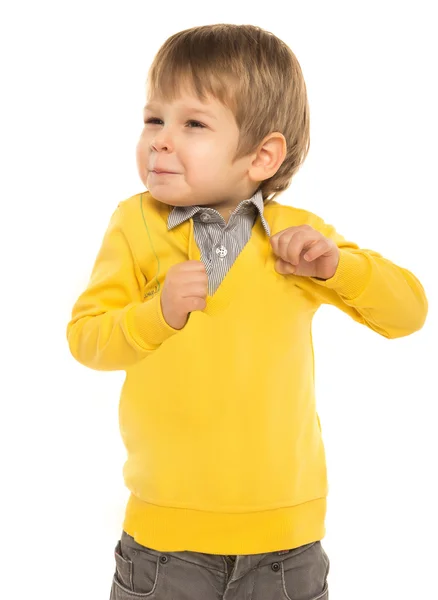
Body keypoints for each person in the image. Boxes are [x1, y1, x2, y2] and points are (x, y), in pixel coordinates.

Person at [66, 23, 428, 600]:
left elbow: (408, 313)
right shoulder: (134, 224)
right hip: (164, 540)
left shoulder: (299, 239)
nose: (161, 139)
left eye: (193, 124)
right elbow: (86, 338)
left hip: (287, 546)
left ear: (263, 155)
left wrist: (338, 268)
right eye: (153, 118)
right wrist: (156, 313)